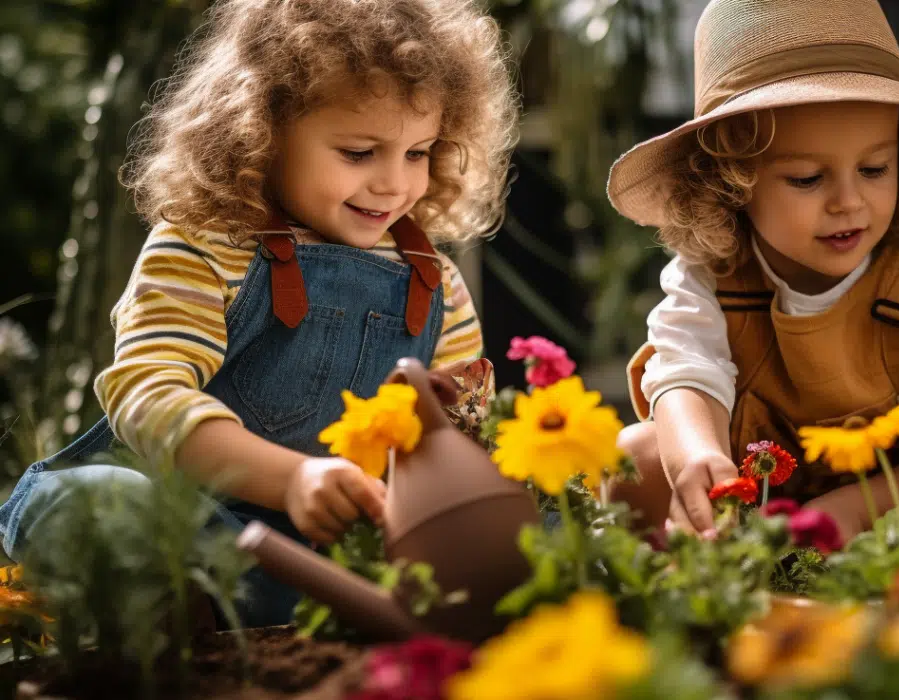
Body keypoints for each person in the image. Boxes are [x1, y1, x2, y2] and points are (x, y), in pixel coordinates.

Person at [0, 0, 517, 626]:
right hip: (181, 515)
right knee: (88, 505)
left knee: (529, 527)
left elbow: (460, 437)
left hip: (326, 550)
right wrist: (293, 480)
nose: (393, 184)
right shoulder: (201, 244)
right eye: (358, 152)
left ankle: (261, 610)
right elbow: (146, 391)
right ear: (260, 132)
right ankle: (195, 606)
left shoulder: (435, 283)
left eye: (418, 153)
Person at [608, 0, 899, 541]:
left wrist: (851, 510)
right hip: (749, 504)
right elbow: (687, 371)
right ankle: (675, 605)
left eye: (875, 169)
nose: (849, 202)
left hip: (889, 518)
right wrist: (698, 457)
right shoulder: (711, 279)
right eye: (807, 178)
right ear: (730, 183)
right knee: (634, 457)